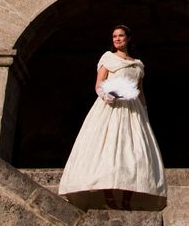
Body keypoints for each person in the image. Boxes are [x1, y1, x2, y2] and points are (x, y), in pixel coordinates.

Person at [58, 24, 167, 210]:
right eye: (114, 36)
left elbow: (140, 92)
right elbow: (99, 84)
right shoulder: (108, 58)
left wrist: (145, 111)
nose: (117, 39)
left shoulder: (138, 64)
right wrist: (106, 95)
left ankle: (126, 198)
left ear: (128, 38)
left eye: (121, 36)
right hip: (111, 106)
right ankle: (108, 197)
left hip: (132, 110)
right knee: (107, 151)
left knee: (135, 154)